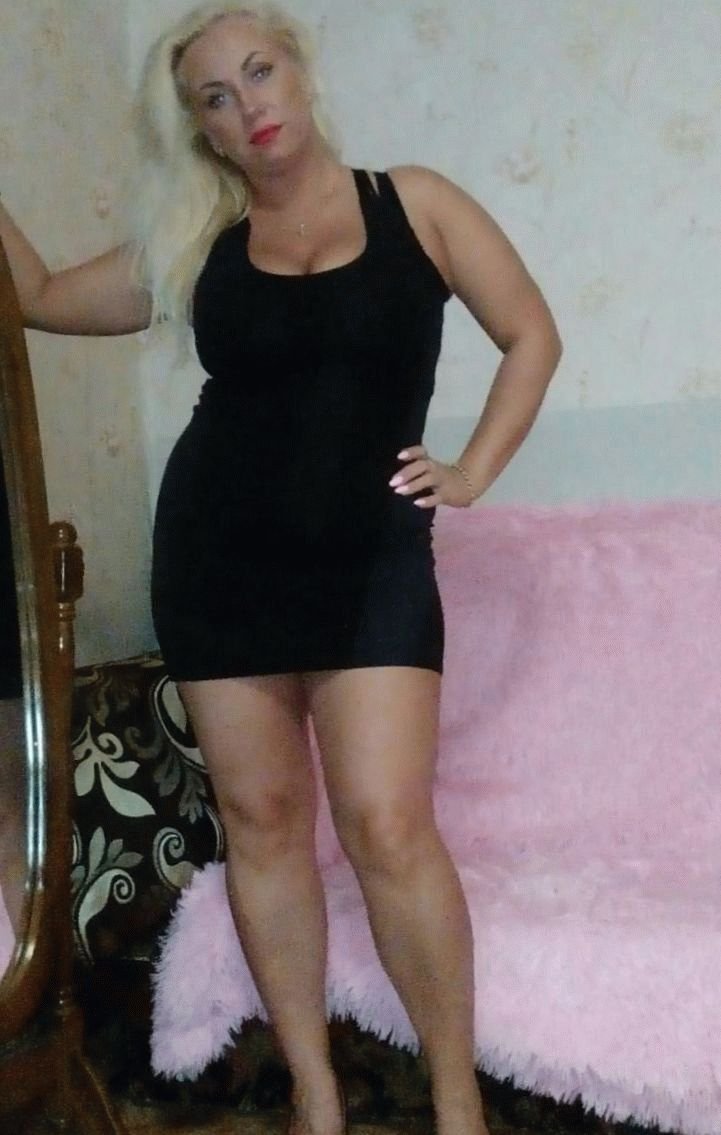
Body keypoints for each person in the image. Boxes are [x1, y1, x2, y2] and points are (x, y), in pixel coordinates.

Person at [0, 3, 562, 1132]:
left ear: (299, 74)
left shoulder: (414, 203)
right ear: (201, 129)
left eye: (259, 72)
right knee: (260, 820)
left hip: (370, 566)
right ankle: (315, 1091)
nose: (246, 105)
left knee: (386, 824)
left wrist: (470, 470)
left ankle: (456, 1099)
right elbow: (43, 297)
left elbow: (531, 335)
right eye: (215, 96)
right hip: (219, 560)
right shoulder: (196, 246)